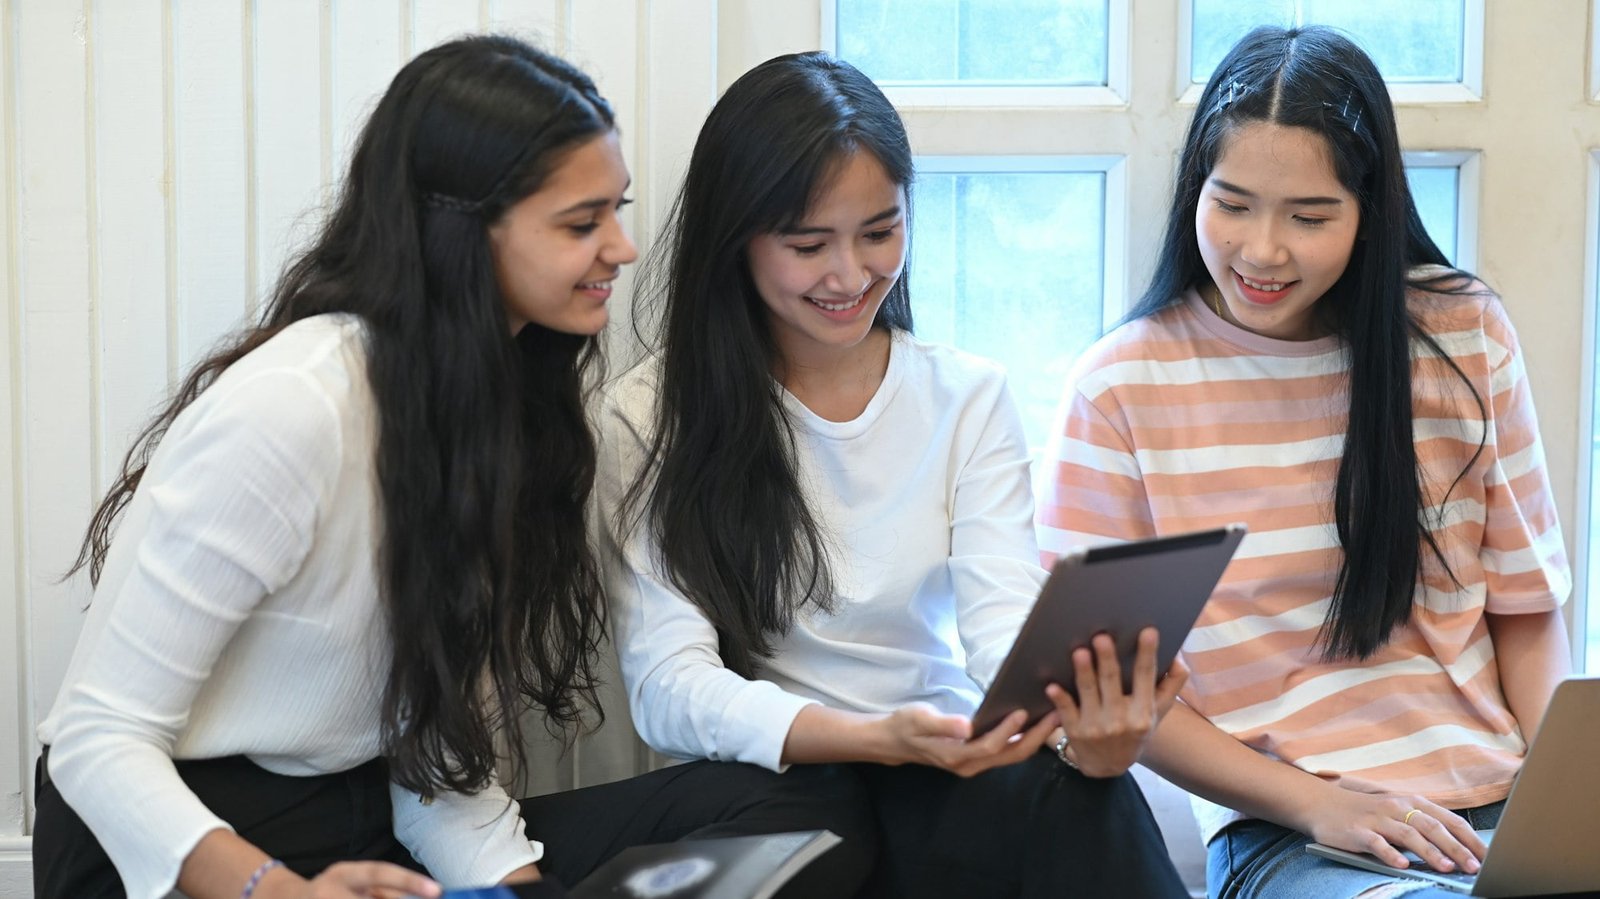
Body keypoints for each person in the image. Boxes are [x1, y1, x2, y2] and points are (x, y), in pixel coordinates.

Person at [35, 35, 872, 899]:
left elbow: (435, 758)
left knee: (800, 811)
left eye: (615, 211)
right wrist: (275, 891)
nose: (621, 247)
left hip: (361, 825)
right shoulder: (294, 407)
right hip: (177, 853)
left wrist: (520, 890)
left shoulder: (502, 415)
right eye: (583, 222)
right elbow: (96, 739)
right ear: (463, 233)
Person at [597, 51, 1190, 899]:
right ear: (739, 239)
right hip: (777, 785)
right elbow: (669, 687)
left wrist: (1077, 730)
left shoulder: (966, 395)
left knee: (1091, 798)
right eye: (809, 244)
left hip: (941, 761)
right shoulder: (650, 415)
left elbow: (1002, 632)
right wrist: (873, 736)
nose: (850, 276)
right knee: (828, 823)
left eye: (880, 231)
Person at [1035, 25, 1573, 899]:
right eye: (1233, 203)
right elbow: (1114, 688)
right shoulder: (1121, 388)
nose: (1261, 250)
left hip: (1500, 810)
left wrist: (1566, 805)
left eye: (1309, 216)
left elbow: (1524, 610)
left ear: (1369, 213)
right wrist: (1317, 804)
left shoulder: (1461, 333)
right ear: (1193, 192)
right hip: (1295, 838)